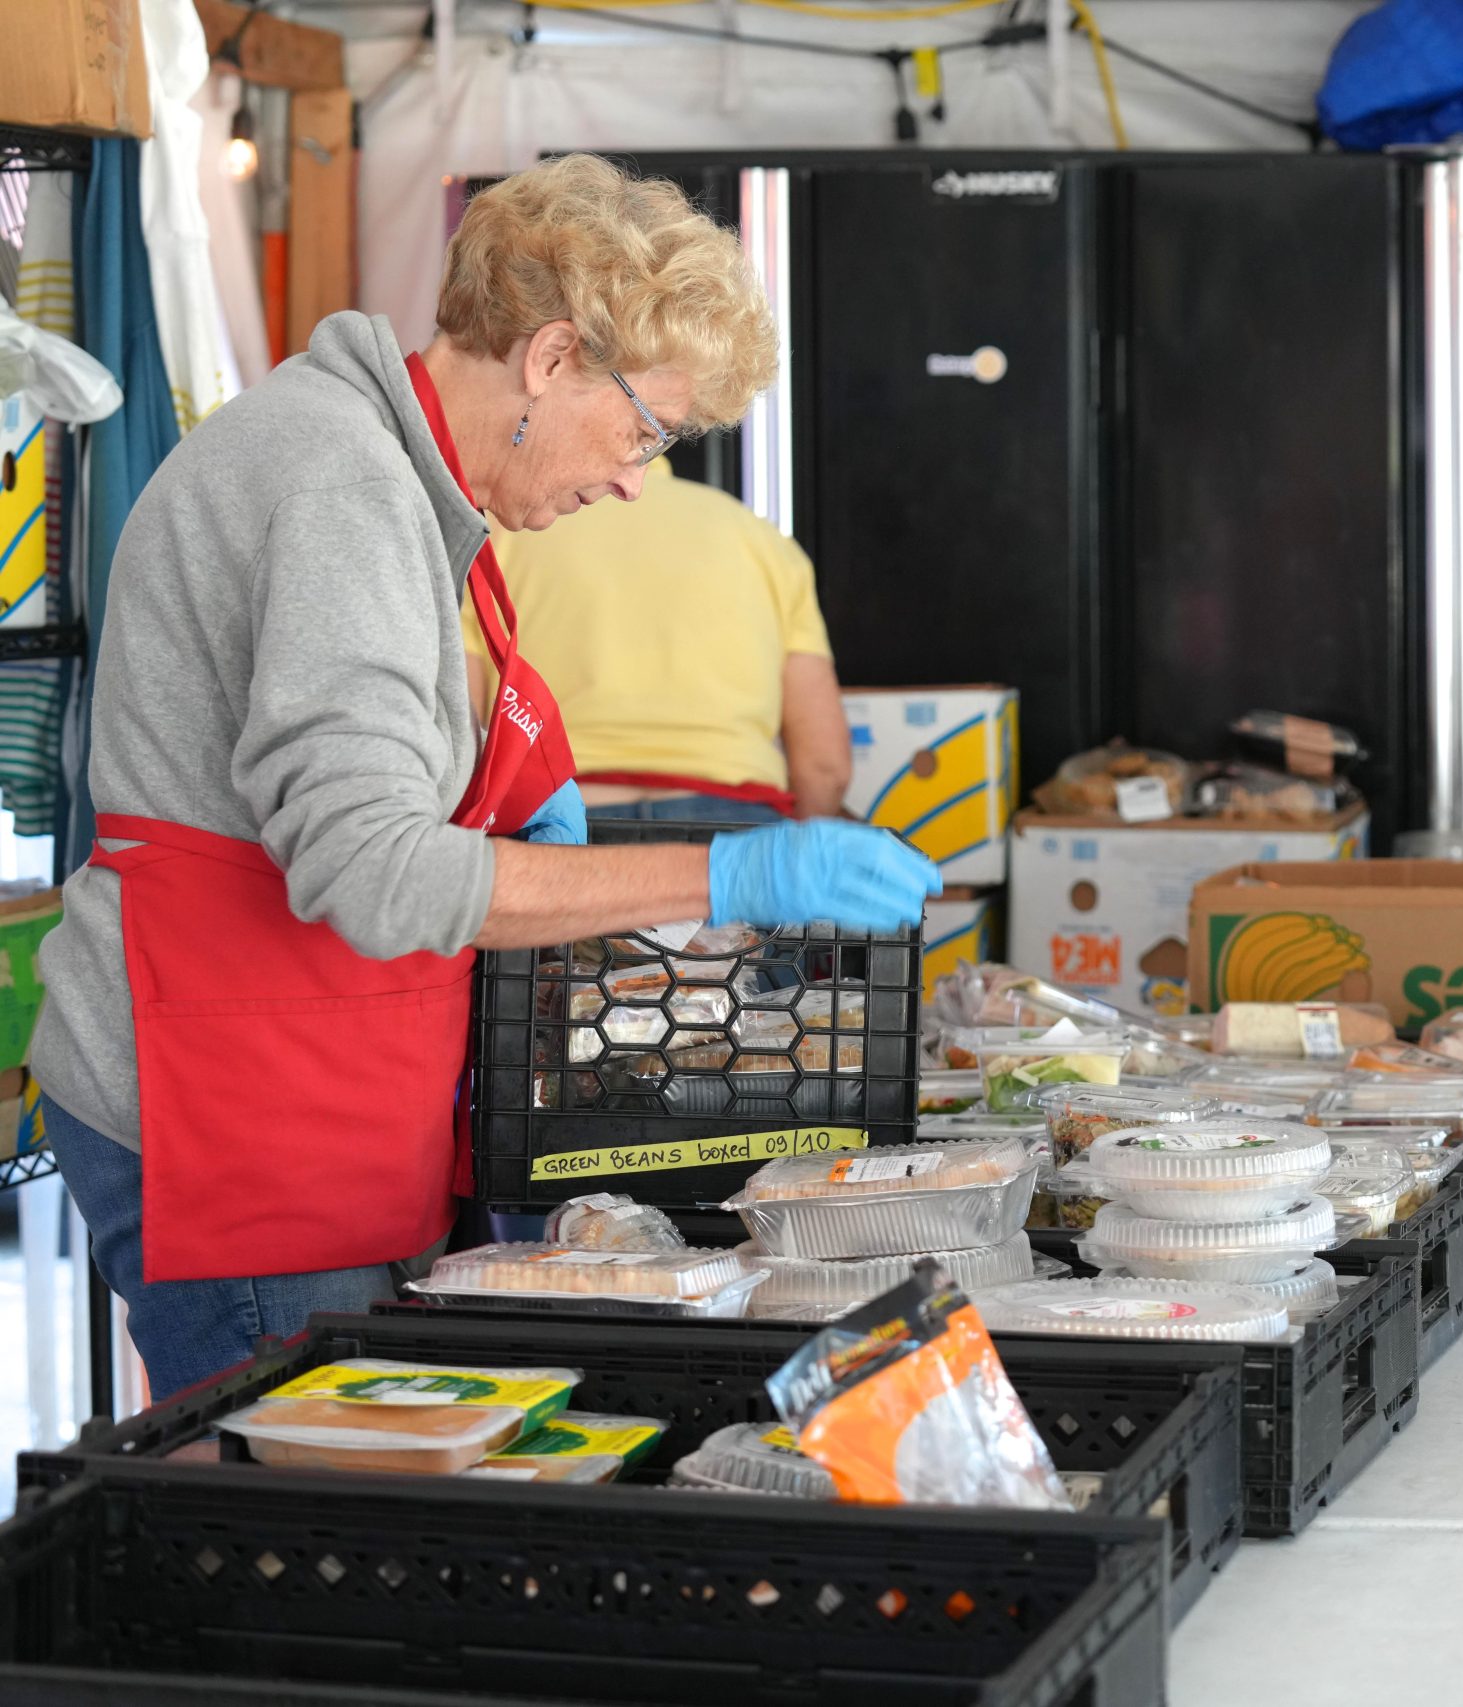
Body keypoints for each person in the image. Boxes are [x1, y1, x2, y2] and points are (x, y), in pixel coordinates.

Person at [27, 155, 938, 1397]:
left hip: (307, 1073)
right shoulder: (344, 485)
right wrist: (733, 869)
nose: (633, 476)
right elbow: (367, 870)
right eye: (643, 431)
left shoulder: (388, 474)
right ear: (554, 358)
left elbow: (336, 681)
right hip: (231, 1103)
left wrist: (516, 742)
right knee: (300, 1521)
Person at [472, 462, 850, 824]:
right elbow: (824, 767)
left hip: (558, 819)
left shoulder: (503, 533)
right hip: (735, 827)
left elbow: (458, 726)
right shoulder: (763, 541)